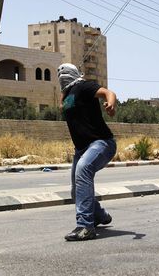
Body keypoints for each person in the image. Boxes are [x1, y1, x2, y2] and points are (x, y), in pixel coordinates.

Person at [57, 63, 117, 241]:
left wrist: (110, 105)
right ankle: (99, 216)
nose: (61, 75)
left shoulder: (83, 86)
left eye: (64, 72)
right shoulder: (67, 94)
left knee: (83, 170)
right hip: (81, 149)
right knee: (76, 191)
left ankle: (85, 226)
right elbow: (63, 103)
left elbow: (108, 93)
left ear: (73, 74)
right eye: (58, 73)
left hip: (101, 143)